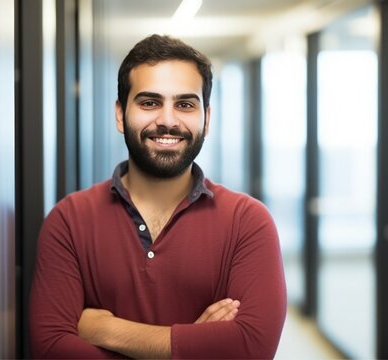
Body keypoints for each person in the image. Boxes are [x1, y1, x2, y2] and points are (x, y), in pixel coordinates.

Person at [29, 34, 287, 359]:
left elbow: (250, 347)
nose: (167, 120)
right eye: (150, 102)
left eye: (185, 104)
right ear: (121, 114)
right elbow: (51, 347)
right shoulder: (69, 220)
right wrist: (196, 345)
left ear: (206, 118)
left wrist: (108, 331)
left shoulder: (248, 221)